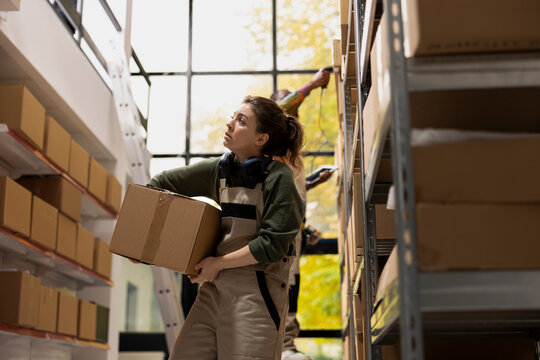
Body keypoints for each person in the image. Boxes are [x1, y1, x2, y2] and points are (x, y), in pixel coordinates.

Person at [148, 95, 305, 360]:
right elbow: (159, 184)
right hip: (214, 290)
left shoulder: (280, 179)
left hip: (256, 294)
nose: (230, 123)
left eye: (241, 121)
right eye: (233, 116)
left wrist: (218, 263)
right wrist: (161, 248)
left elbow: (272, 245)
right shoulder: (219, 170)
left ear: (261, 139)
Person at [272, 68, 332, 360]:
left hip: (294, 227)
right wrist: (314, 83)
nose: (290, 114)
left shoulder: (291, 153)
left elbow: (292, 188)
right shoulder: (272, 138)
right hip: (279, 226)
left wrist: (314, 181)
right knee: (283, 281)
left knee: (292, 282)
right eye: (285, 108)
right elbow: (284, 108)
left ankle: (287, 344)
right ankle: (281, 346)